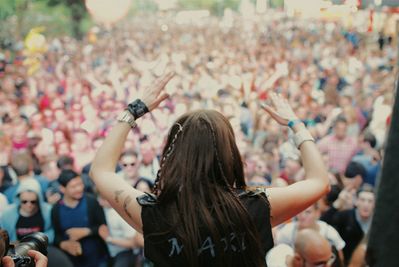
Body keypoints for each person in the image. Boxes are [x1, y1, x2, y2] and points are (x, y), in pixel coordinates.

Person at [90, 72, 329, 266]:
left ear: (174, 155)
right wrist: (296, 125)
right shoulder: (258, 206)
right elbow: (319, 182)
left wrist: (134, 111)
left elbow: (101, 171)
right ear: (230, 154)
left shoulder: (154, 214)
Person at [51, 169, 108, 267]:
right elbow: (57, 236)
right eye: (73, 186)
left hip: (97, 259)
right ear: (62, 189)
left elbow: (103, 227)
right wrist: (63, 244)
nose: (79, 189)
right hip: (71, 261)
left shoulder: (91, 202)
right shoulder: (56, 209)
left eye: (80, 184)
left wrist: (87, 231)